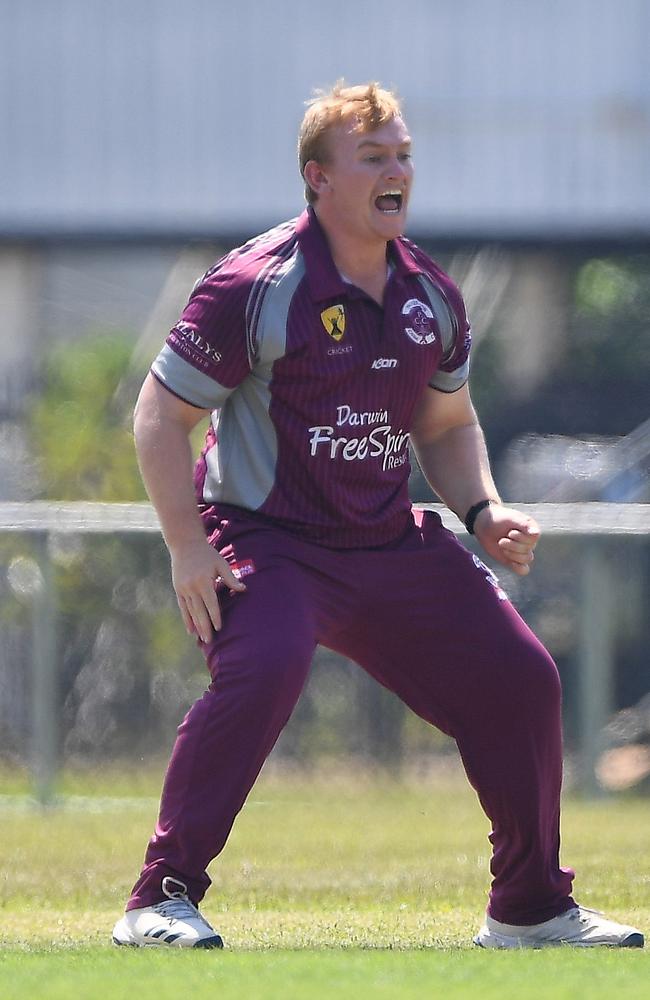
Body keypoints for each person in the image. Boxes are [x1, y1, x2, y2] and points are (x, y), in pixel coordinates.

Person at [112, 82, 643, 950]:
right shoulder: (255, 284)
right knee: (268, 663)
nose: (397, 172)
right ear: (319, 180)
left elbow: (448, 421)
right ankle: (159, 899)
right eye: (374, 157)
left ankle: (531, 908)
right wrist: (185, 547)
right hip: (264, 538)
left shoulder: (431, 294)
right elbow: (160, 416)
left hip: (387, 541)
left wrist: (481, 507)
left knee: (523, 679)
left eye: (402, 155)